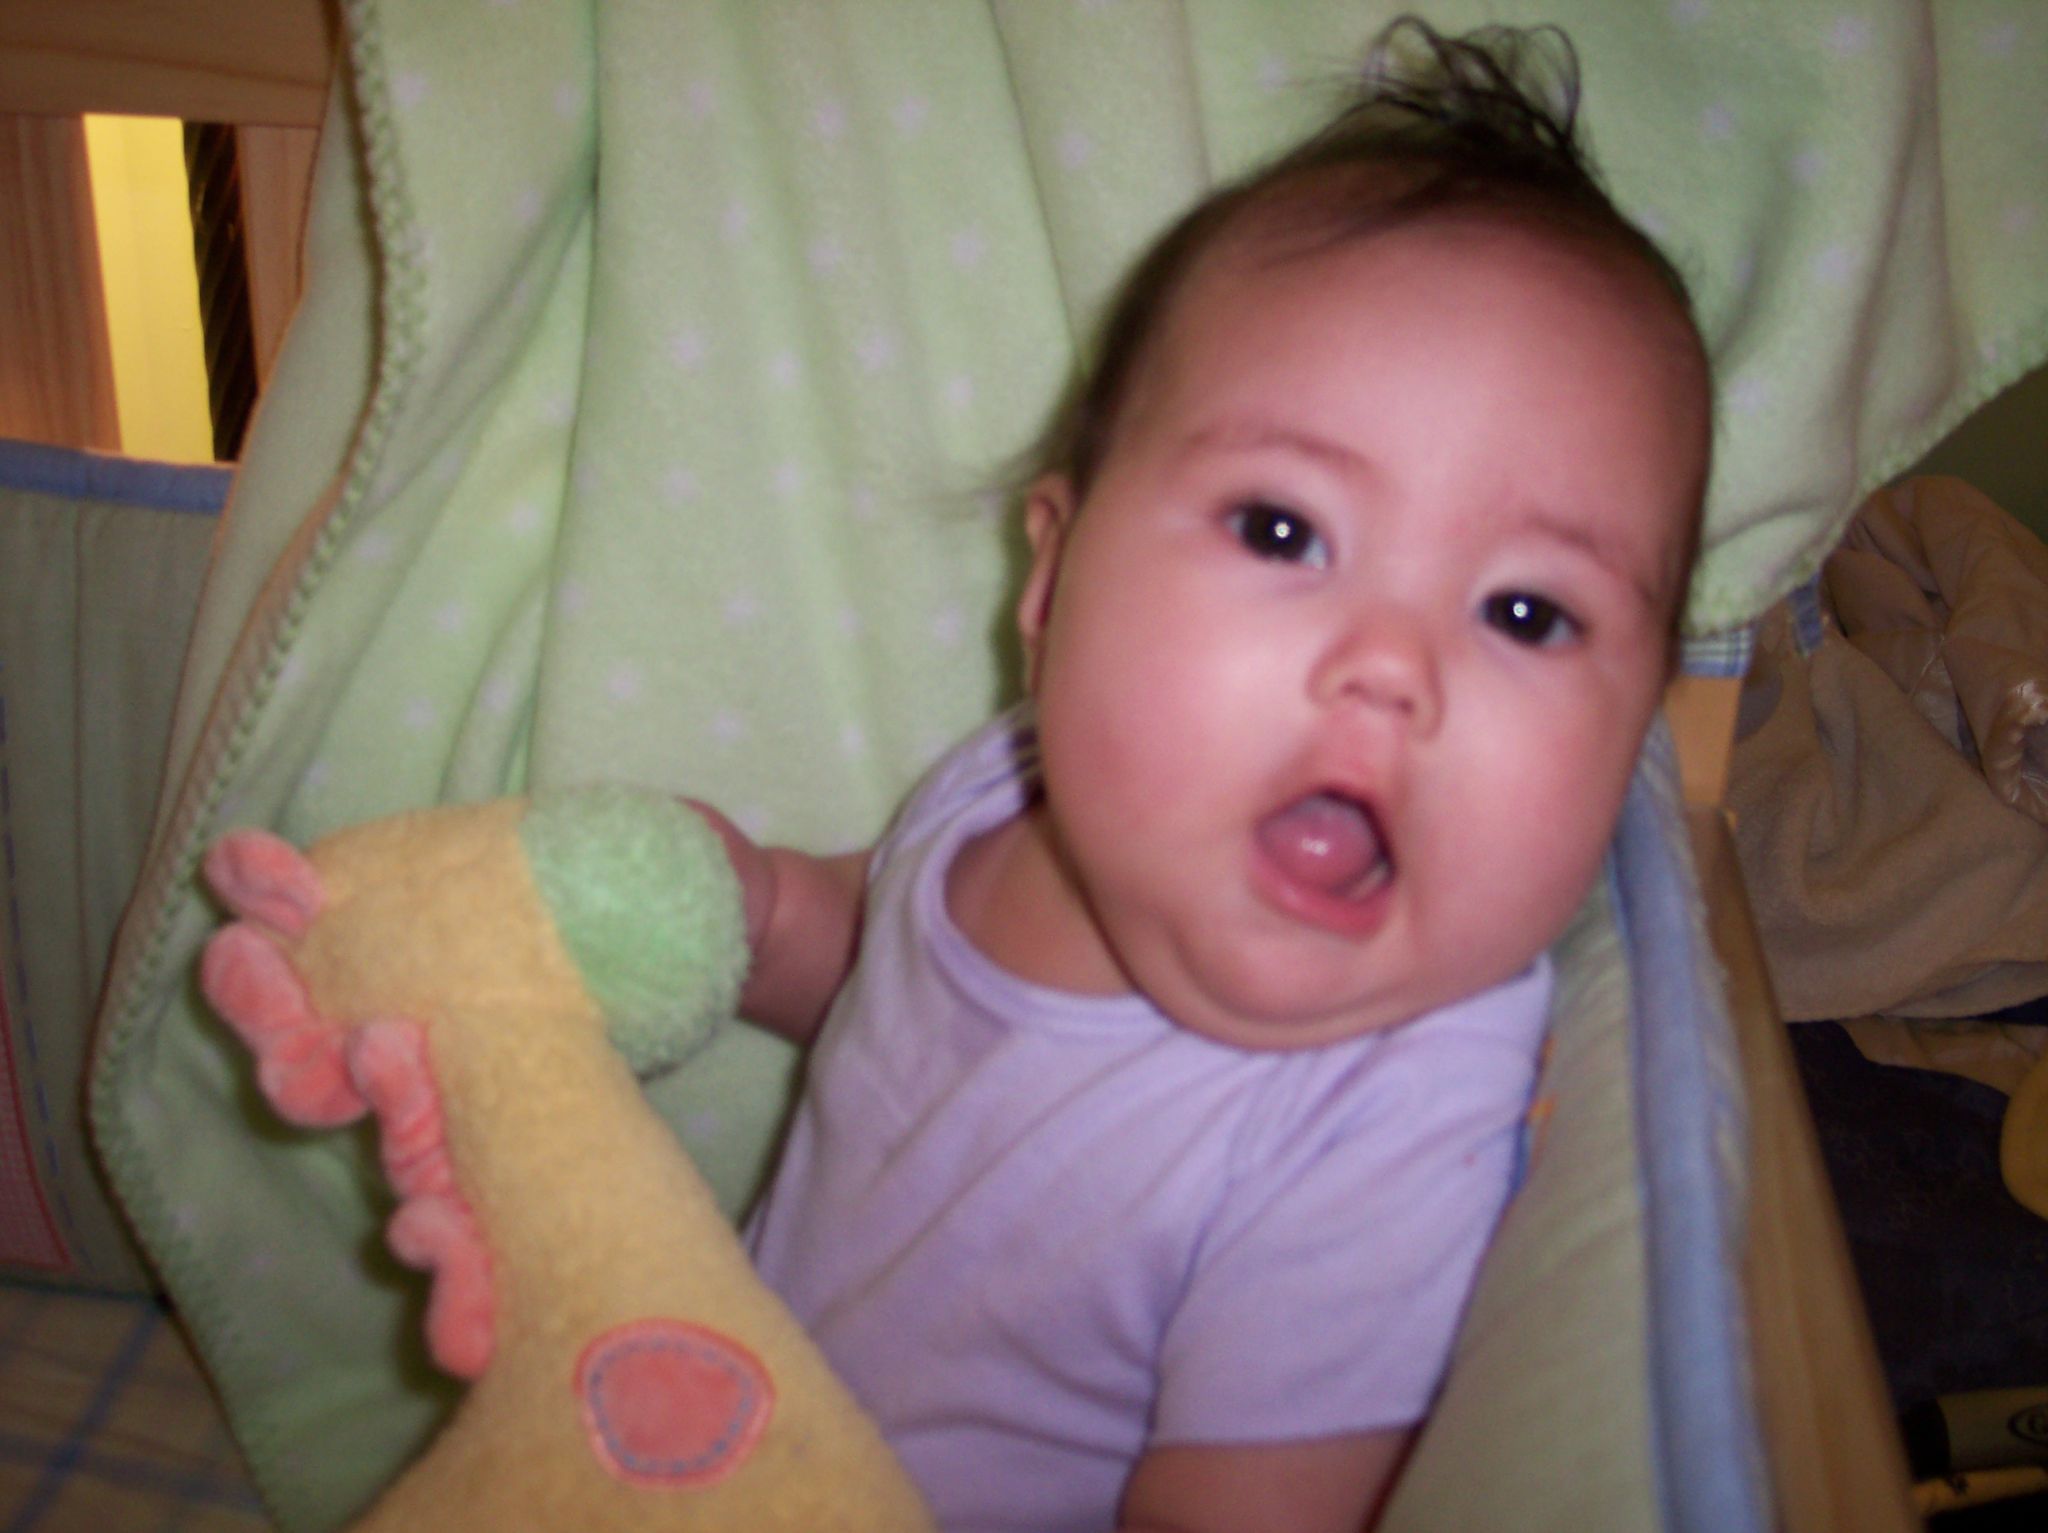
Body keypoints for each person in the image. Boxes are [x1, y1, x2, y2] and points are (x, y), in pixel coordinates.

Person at [697, 18, 1714, 1532]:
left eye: (1525, 613)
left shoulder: (1393, 1114)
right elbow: (879, 973)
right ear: (1052, 587)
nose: (1392, 665)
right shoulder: (997, 795)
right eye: (1283, 531)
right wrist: (742, 910)